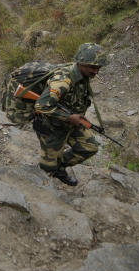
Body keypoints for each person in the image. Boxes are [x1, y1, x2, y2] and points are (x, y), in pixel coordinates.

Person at [31, 42, 108, 186]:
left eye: (98, 68)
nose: (96, 71)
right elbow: (41, 105)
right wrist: (69, 117)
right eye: (93, 67)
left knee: (90, 146)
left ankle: (58, 167)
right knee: (46, 168)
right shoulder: (63, 80)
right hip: (50, 126)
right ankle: (44, 186)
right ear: (81, 63)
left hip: (70, 123)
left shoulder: (83, 75)